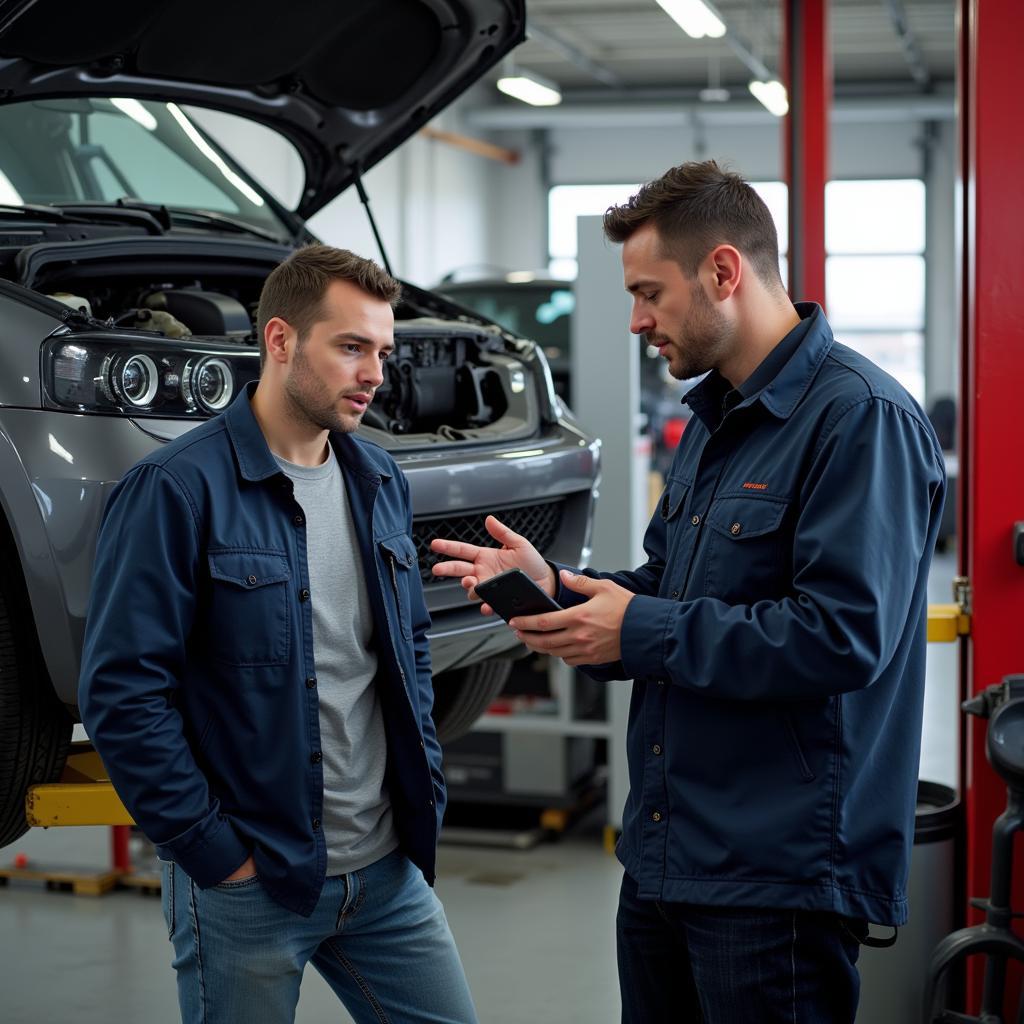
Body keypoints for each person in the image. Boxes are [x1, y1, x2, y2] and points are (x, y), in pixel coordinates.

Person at [430, 161, 946, 1024]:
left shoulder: (861, 420)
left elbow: (842, 638)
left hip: (776, 880)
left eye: (649, 294)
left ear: (722, 271)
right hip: (669, 854)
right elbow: (665, 590)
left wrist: (640, 631)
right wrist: (555, 591)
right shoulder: (713, 424)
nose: (636, 322)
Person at [79, 245, 477, 1024]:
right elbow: (123, 694)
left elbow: (408, 650)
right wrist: (214, 854)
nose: (374, 374)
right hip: (253, 883)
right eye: (352, 347)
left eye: (383, 352)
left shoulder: (379, 481)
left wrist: (420, 786)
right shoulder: (176, 489)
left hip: (388, 873)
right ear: (281, 340)